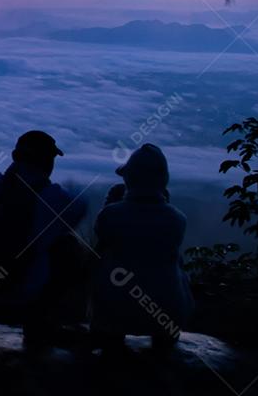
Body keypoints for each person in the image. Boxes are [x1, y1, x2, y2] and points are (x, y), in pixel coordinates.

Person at [0, 130, 88, 351]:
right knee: (68, 247)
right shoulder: (54, 199)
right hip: (21, 297)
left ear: (15, 157)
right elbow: (80, 207)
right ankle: (41, 323)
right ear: (48, 163)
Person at [91, 144, 194, 357]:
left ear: (129, 179)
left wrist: (110, 204)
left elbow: (101, 244)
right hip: (166, 315)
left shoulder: (110, 215)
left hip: (114, 313)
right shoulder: (177, 219)